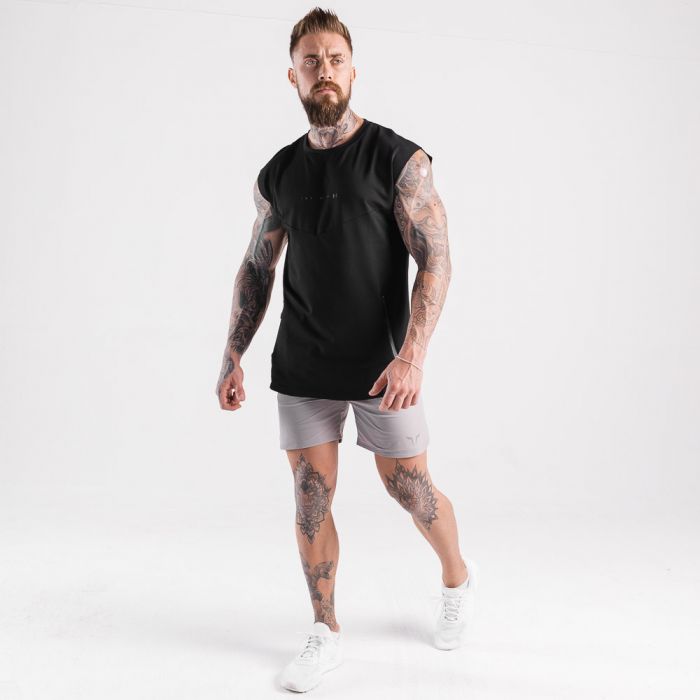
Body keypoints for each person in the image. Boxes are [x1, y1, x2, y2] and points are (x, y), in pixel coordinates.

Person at [216, 7, 479, 693]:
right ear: (294, 76)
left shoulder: (398, 160)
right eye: (311, 60)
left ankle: (457, 578)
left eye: (335, 58)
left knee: (409, 488)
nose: (324, 70)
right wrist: (233, 352)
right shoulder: (278, 173)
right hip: (303, 360)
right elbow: (257, 266)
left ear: (353, 70)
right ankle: (324, 629)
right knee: (311, 496)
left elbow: (437, 258)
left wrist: (413, 355)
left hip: (383, 363)